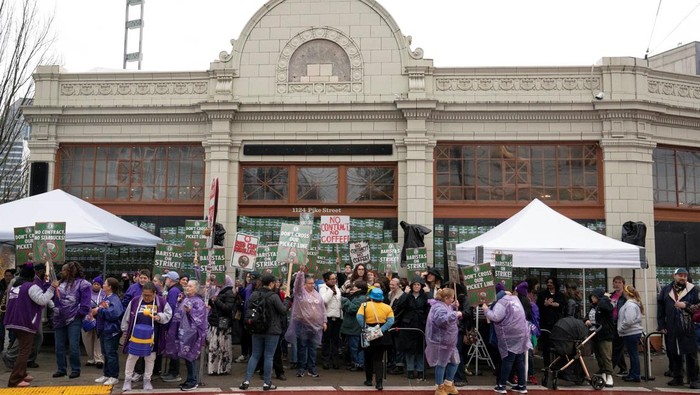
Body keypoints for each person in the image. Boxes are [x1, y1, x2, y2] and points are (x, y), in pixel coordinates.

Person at [4, 264, 55, 387]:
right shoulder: (31, 287)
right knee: (24, 351)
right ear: (32, 276)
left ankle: (22, 373)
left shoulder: (16, 286)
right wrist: (52, 289)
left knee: (24, 349)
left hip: (14, 321)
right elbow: (42, 300)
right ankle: (15, 379)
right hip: (25, 322)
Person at [239, 274, 288, 391]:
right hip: (272, 330)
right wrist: (287, 300)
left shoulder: (254, 294)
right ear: (271, 283)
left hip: (256, 328)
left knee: (255, 355)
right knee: (268, 356)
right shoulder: (274, 296)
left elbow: (248, 308)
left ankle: (246, 380)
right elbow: (283, 310)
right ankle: (267, 383)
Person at [121, 281, 172, 391]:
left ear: (155, 293)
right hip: (135, 336)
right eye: (144, 295)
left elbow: (168, 315)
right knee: (132, 358)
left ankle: (147, 380)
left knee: (150, 358)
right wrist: (125, 330)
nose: (146, 298)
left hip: (152, 337)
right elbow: (127, 317)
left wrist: (159, 316)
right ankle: (127, 380)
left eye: (149, 295)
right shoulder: (135, 301)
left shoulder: (161, 302)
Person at [657, 268, 700, 389]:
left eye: (685, 276)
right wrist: (661, 325)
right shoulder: (666, 290)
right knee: (674, 353)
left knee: (691, 354)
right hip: (671, 327)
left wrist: (686, 305)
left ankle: (694, 379)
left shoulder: (693, 289)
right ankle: (677, 377)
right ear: (674, 276)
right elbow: (660, 310)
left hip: (689, 327)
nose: (683, 278)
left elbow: (699, 307)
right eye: (680, 275)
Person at [484, 288, 531, 395]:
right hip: (522, 333)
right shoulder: (515, 299)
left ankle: (502, 385)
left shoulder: (502, 301)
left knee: (508, 359)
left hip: (510, 335)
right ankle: (522, 385)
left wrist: (486, 309)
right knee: (519, 359)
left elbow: (496, 317)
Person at [52, 261, 92, 379]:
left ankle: (75, 369)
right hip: (59, 317)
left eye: (63, 270)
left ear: (70, 271)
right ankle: (61, 369)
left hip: (74, 319)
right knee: (59, 345)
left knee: (73, 346)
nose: (61, 272)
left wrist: (78, 314)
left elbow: (85, 303)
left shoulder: (83, 284)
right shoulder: (59, 283)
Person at [166, 280, 207, 391]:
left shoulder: (198, 301)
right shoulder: (186, 299)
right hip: (183, 332)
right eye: (187, 286)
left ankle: (193, 381)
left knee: (191, 357)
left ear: (196, 289)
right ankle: (189, 379)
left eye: (190, 286)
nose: (187, 288)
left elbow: (200, 318)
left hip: (192, 334)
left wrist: (191, 311)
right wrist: (179, 303)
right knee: (186, 357)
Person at [285, 268, 327, 378]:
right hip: (303, 325)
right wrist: (300, 273)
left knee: (313, 348)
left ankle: (312, 369)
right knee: (302, 348)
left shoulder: (317, 295)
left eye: (313, 283)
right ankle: (301, 368)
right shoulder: (300, 293)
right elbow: (297, 285)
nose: (312, 285)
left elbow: (322, 309)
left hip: (316, 327)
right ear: (305, 284)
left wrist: (324, 321)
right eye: (309, 283)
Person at [425, 288, 461, 395]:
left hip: (450, 341)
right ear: (446, 298)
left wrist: (453, 307)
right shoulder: (438, 307)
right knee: (441, 363)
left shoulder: (445, 306)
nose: (453, 299)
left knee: (455, 361)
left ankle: (448, 384)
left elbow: (447, 313)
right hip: (441, 341)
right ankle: (439, 387)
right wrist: (455, 314)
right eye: (452, 298)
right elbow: (441, 320)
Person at [357, 287, 394, 390]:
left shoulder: (364, 305)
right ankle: (379, 383)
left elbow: (359, 317)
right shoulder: (387, 307)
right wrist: (381, 330)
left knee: (368, 358)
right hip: (382, 335)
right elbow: (391, 321)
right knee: (379, 359)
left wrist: (367, 328)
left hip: (368, 334)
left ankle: (369, 380)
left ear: (371, 297)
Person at [393, 276, 429, 379]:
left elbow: (429, 307)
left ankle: (420, 370)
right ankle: (410, 370)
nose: (416, 286)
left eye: (418, 284)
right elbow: (399, 305)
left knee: (420, 349)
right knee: (409, 349)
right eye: (414, 284)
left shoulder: (424, 296)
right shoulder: (407, 296)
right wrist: (405, 293)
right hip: (408, 325)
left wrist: (428, 293)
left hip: (421, 325)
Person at [94, 277, 124, 386]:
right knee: (106, 353)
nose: (103, 284)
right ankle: (107, 374)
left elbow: (114, 314)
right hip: (105, 329)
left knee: (111, 353)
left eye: (105, 283)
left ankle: (114, 376)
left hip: (111, 330)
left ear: (110, 287)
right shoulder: (107, 297)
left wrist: (99, 310)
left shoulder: (114, 299)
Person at [207, 275, 236, 375]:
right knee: (215, 346)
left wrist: (217, 301)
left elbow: (228, 308)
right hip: (216, 322)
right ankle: (214, 368)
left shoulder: (229, 293)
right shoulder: (218, 291)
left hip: (223, 324)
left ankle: (222, 368)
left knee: (222, 346)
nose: (216, 282)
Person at [586, 288, 615, 388]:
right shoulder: (592, 307)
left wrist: (604, 298)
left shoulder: (605, 305)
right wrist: (586, 320)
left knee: (606, 356)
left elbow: (608, 308)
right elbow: (587, 316)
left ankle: (609, 375)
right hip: (594, 334)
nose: (592, 299)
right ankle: (603, 372)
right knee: (598, 356)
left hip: (605, 334)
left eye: (594, 296)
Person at [536, 276, 565, 368]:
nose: (549, 284)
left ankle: (556, 364)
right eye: (548, 282)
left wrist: (552, 304)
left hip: (556, 322)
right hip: (545, 322)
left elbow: (562, 305)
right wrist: (545, 304)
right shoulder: (542, 294)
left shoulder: (560, 295)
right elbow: (539, 305)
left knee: (556, 344)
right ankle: (547, 364)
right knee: (546, 345)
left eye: (551, 282)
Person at [617, 284, 644, 383]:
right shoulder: (632, 304)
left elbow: (629, 320)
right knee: (633, 354)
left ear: (625, 292)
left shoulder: (630, 305)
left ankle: (635, 375)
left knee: (633, 354)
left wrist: (621, 328)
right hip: (632, 332)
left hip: (630, 332)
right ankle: (633, 373)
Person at [515, 281, 540, 385]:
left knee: (520, 355)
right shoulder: (531, 305)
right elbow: (535, 320)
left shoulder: (517, 303)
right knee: (528, 354)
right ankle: (530, 375)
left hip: (519, 332)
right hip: (527, 332)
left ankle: (520, 375)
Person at [161, 271, 184, 382]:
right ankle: (172, 371)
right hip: (177, 323)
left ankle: (174, 373)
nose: (165, 280)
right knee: (173, 348)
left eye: (167, 278)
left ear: (171, 280)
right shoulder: (177, 289)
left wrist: (166, 326)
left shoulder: (173, 291)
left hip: (173, 324)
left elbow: (169, 309)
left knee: (173, 348)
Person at [341, 279, 367, 372]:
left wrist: (344, 300)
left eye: (355, 286)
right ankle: (356, 362)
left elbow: (352, 308)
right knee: (353, 346)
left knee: (356, 346)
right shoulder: (355, 297)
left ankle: (359, 363)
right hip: (353, 327)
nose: (353, 288)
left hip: (355, 328)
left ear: (359, 288)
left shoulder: (361, 298)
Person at [319, 271, 342, 370]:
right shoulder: (323, 288)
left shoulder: (337, 287)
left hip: (337, 318)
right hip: (327, 318)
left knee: (335, 340)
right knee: (326, 340)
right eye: (332, 279)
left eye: (335, 279)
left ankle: (335, 361)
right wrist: (331, 291)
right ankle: (326, 360)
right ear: (326, 280)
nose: (334, 281)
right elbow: (323, 300)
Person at [82, 275, 105, 369]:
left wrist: (98, 308)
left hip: (99, 317)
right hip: (87, 317)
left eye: (98, 284)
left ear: (101, 286)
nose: (96, 286)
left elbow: (106, 303)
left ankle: (98, 359)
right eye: (94, 284)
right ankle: (90, 358)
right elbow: (82, 302)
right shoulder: (86, 292)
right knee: (87, 338)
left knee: (98, 338)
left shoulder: (103, 293)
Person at [609, 276, 629, 377]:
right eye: (615, 282)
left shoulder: (625, 297)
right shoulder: (610, 296)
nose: (617, 284)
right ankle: (623, 368)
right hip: (611, 323)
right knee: (616, 346)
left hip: (620, 324)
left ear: (623, 284)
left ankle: (609, 368)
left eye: (619, 282)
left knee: (617, 347)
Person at [387, 277, 406, 376]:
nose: (391, 286)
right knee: (393, 346)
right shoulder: (390, 294)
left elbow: (398, 312)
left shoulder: (402, 296)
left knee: (398, 346)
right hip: (392, 323)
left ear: (398, 285)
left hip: (398, 324)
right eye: (390, 284)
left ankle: (399, 365)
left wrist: (391, 323)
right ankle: (394, 363)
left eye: (393, 285)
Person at [0, 269, 15, 354]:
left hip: (11, 312)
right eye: (6, 275)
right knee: (1, 332)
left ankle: (11, 347)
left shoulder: (15, 286)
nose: (8, 277)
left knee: (11, 331)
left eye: (9, 276)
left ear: (12, 277)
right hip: (1, 312)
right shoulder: (0, 285)